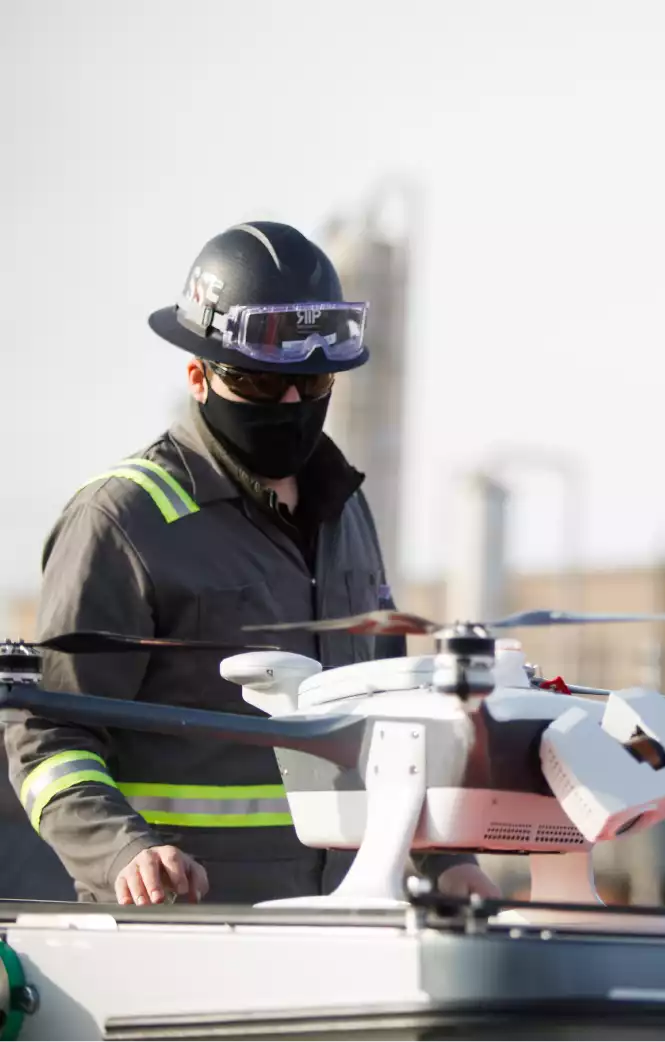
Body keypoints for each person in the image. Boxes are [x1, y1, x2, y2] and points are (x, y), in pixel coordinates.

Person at [4, 222, 499, 906]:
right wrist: (125, 853)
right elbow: (47, 730)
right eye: (263, 385)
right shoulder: (122, 522)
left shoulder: (348, 513)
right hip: (191, 931)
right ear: (197, 376)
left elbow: (397, 716)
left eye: (312, 380)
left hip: (353, 915)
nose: (293, 404)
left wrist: (448, 857)